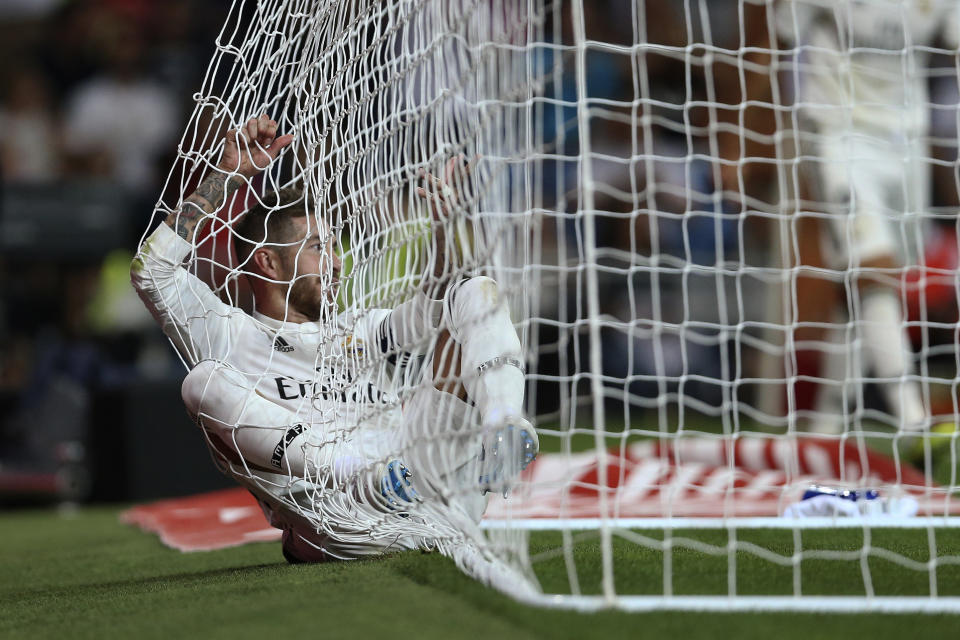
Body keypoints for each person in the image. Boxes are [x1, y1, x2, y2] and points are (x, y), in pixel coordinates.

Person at [131, 114, 538, 562]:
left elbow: (439, 304)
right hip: (342, 522)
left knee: (474, 291)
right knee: (201, 381)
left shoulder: (359, 329)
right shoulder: (230, 333)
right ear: (268, 263)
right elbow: (152, 271)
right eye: (319, 249)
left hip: (433, 497)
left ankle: (504, 425)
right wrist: (227, 176)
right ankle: (369, 479)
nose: (338, 263)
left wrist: (444, 229)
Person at [726, 1, 958, 437]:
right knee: (874, 268)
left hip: (906, 141)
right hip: (837, 133)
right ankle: (911, 419)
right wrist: (739, 135)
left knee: (864, 289)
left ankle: (826, 426)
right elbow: (771, 47)